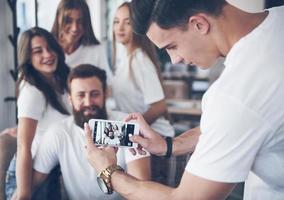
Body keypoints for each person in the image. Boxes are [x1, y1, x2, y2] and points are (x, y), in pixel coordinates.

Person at [83, 0, 284, 200]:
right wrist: (170, 145)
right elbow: (237, 125)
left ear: (199, 24)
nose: (174, 60)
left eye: (172, 46)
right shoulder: (278, 18)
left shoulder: (236, 98)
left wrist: (109, 171)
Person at [31, 64, 150, 200]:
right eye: (81, 95)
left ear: (105, 94)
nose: (88, 102)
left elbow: (142, 191)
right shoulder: (59, 132)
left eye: (94, 94)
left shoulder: (127, 124)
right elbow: (32, 184)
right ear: (70, 99)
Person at [5, 27, 71, 200]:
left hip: (50, 172)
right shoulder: (31, 91)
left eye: (50, 47)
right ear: (28, 58)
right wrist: (24, 193)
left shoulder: (61, 79)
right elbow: (23, 147)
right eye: (38, 51)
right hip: (31, 174)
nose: (48, 54)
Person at [111, 2, 174, 138]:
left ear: (137, 26)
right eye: (116, 22)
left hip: (157, 137)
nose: (120, 27)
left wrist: (130, 131)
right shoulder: (124, 59)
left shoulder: (139, 59)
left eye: (127, 23)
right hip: (142, 137)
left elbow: (159, 106)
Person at [51, 0, 113, 82]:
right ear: (58, 18)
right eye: (68, 21)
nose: (75, 28)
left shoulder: (96, 50)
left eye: (80, 21)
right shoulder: (47, 48)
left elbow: (108, 84)